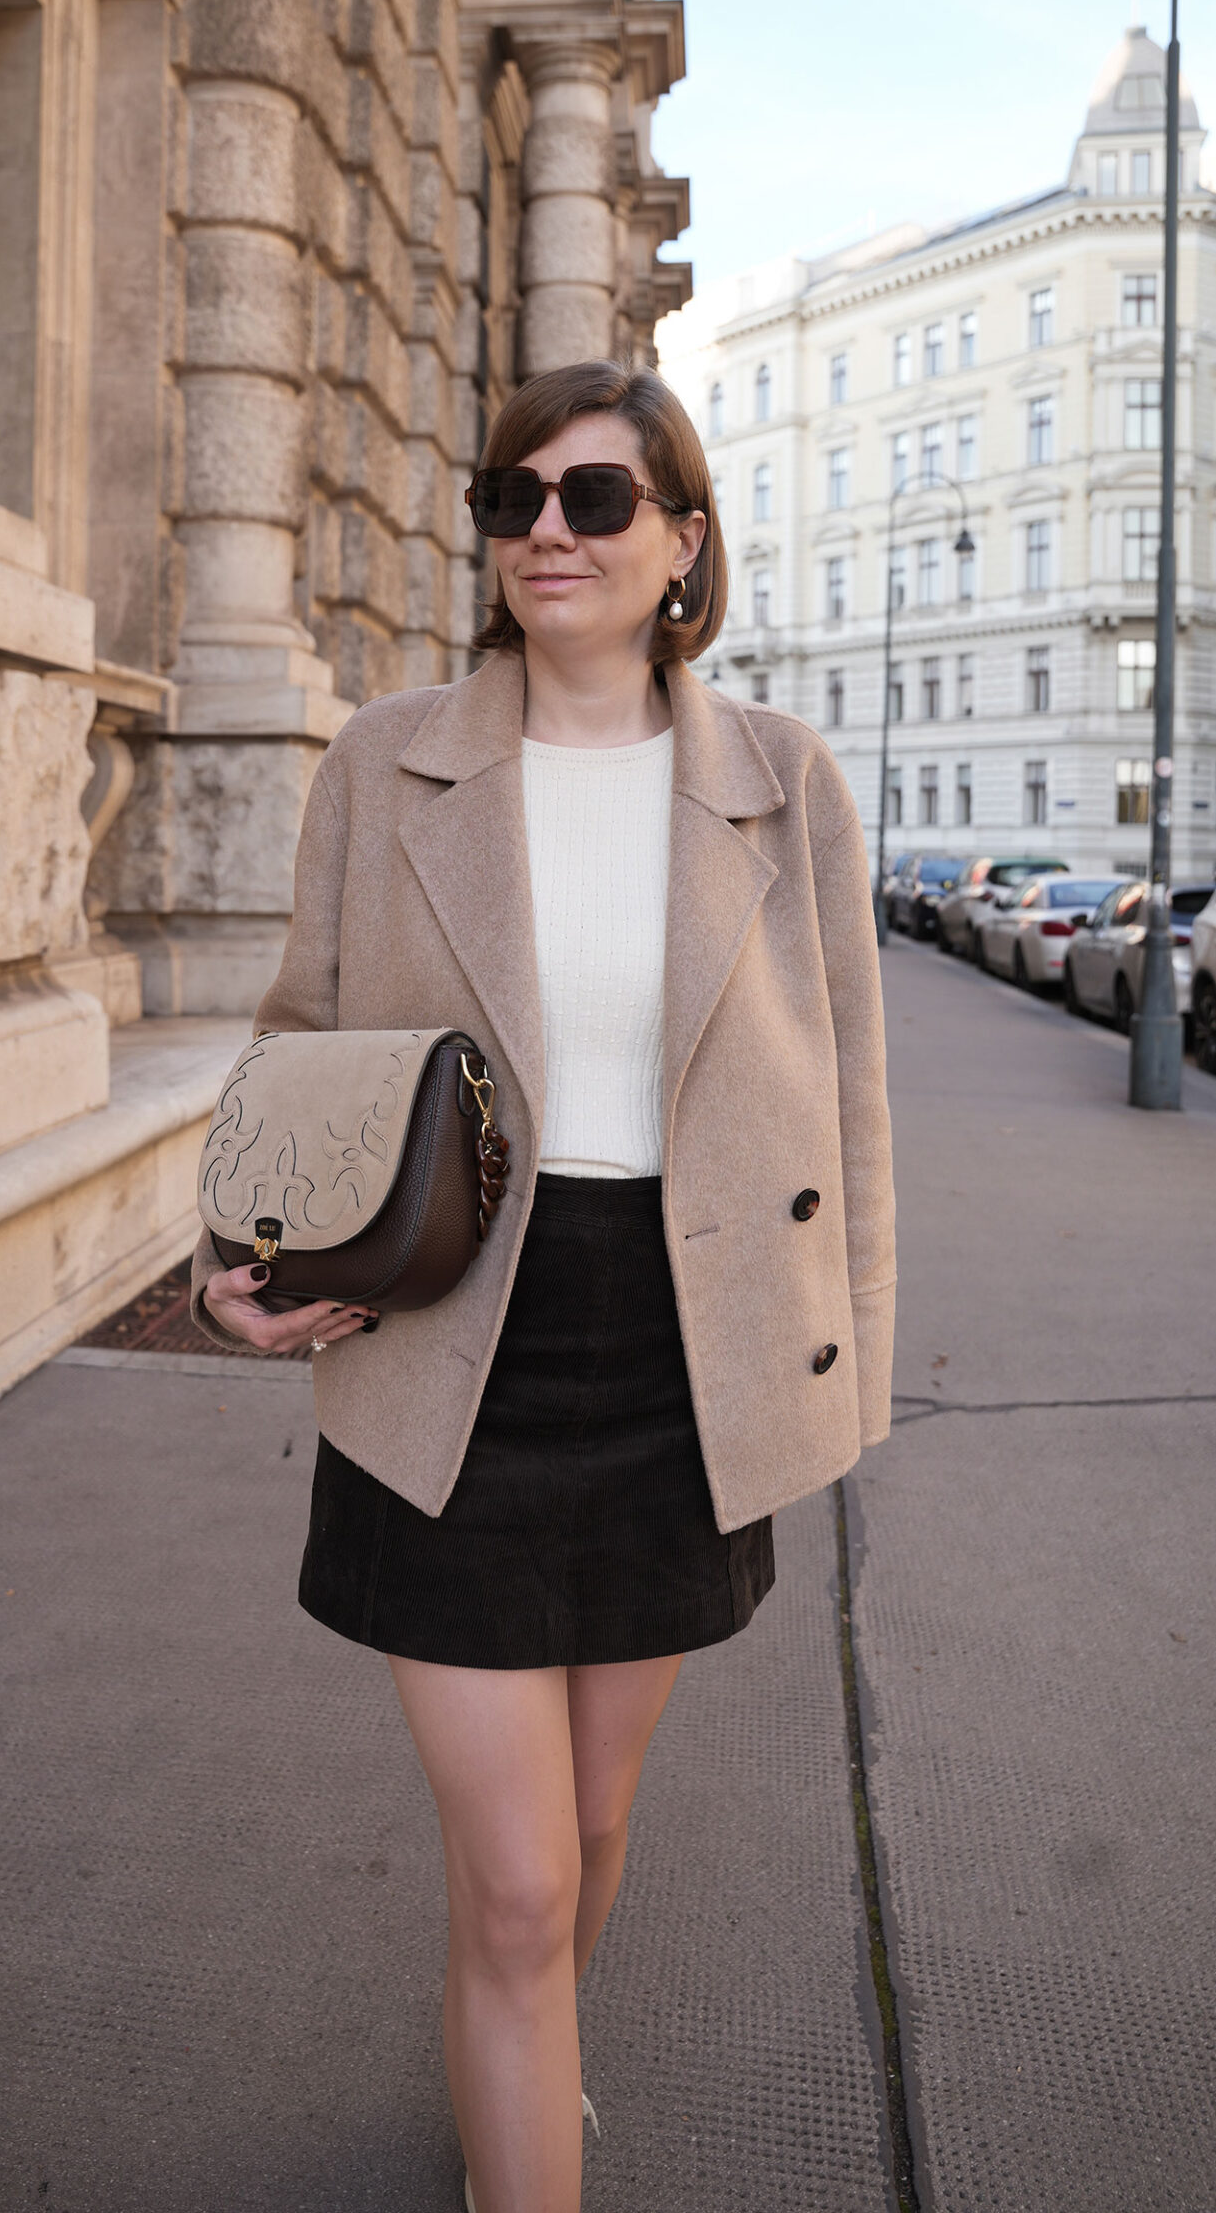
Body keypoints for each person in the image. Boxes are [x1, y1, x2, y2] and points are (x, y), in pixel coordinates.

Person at [193, 359, 896, 2213]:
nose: (547, 535)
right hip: (454, 1345)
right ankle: (521, 2090)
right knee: (509, 1880)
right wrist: (226, 1268)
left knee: (589, 1829)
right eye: (514, 501)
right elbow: (297, 1052)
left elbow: (852, 1106)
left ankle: (523, 2055)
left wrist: (842, 1372)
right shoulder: (388, 759)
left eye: (595, 500)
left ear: (682, 539)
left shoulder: (780, 782)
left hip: (685, 1346)